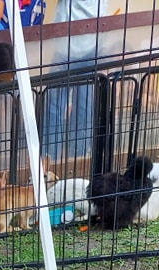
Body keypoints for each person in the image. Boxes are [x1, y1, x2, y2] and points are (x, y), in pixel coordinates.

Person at [40, 0, 109, 169]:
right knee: (84, 107)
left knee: (54, 106)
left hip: (68, 44)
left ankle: (49, 164)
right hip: (92, 40)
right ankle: (78, 163)